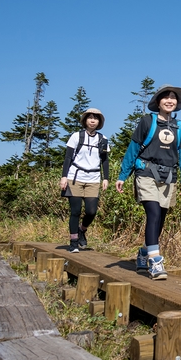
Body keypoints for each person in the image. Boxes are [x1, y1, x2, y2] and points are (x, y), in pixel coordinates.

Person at [115, 85, 181, 280]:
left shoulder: (180, 127)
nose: (169, 100)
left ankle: (143, 252)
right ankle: (155, 262)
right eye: (165, 97)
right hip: (146, 172)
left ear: (177, 103)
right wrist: (123, 175)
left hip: (168, 177)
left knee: (160, 220)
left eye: (173, 97)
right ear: (158, 102)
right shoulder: (147, 121)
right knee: (154, 212)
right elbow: (133, 148)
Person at [60, 108, 110, 253]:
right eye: (90, 117)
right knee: (75, 211)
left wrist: (106, 178)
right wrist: (64, 177)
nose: (93, 120)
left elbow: (105, 161)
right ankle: (74, 242)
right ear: (85, 120)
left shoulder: (103, 139)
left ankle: (82, 230)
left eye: (96, 118)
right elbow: (68, 157)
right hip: (75, 177)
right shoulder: (76, 136)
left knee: (91, 211)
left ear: (99, 122)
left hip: (93, 178)